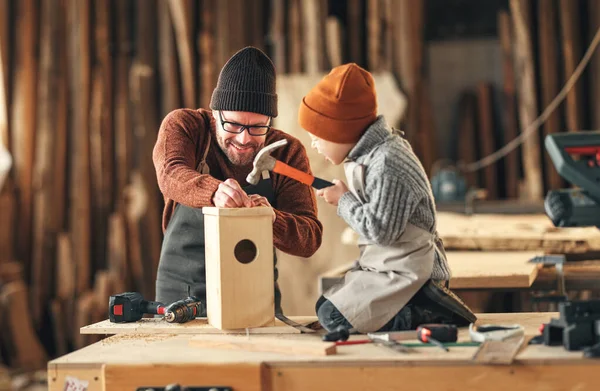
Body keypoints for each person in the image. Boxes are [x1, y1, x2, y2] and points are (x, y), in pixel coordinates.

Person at [298, 63, 476, 333]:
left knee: (334, 318)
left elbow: (381, 230)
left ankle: (428, 310)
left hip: (414, 273)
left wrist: (344, 200)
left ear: (341, 131)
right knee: (325, 306)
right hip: (389, 263)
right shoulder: (368, 155)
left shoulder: (387, 161)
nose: (314, 145)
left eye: (317, 137)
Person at [152, 46, 323, 314]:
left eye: (257, 127)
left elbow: (309, 237)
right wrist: (215, 192)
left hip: (256, 294)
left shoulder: (287, 152)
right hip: (183, 295)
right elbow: (171, 173)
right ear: (215, 113)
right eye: (232, 125)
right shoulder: (185, 126)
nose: (244, 139)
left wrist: (272, 219)